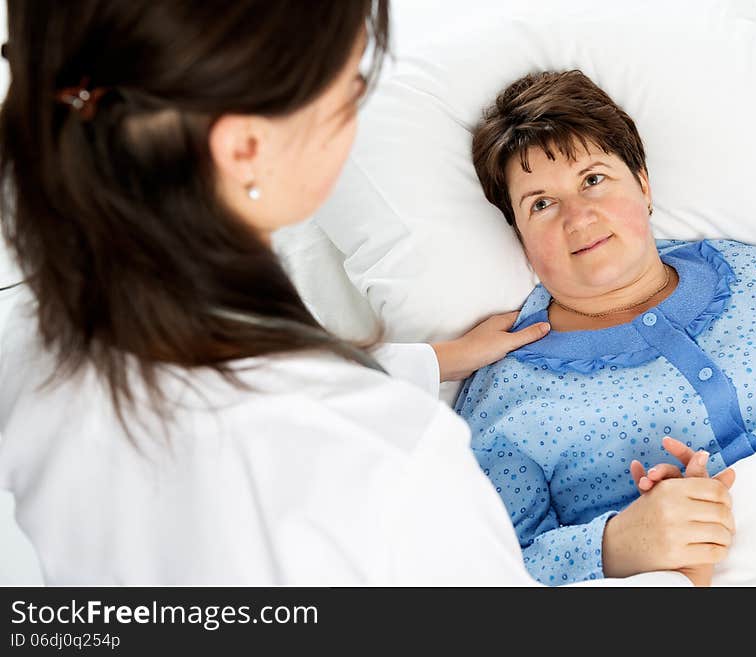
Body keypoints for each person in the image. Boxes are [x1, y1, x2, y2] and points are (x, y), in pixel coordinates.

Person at [0, 0, 576, 586]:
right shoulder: (391, 459)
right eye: (350, 92)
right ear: (247, 148)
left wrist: (434, 359)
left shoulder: (31, 337)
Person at [457, 69, 756, 586]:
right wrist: (619, 543)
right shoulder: (507, 399)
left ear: (643, 185)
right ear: (520, 236)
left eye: (592, 179)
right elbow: (489, 569)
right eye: (541, 204)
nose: (578, 217)